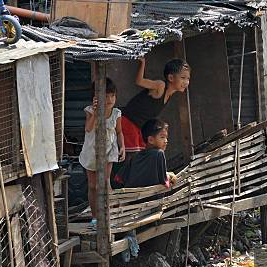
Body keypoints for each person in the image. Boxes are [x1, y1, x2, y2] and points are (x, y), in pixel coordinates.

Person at [120, 57, 191, 155]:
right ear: (171, 78)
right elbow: (139, 81)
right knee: (131, 158)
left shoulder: (169, 95)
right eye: (183, 78)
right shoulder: (160, 86)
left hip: (139, 128)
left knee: (142, 157)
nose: (186, 82)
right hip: (128, 122)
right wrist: (142, 63)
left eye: (188, 78)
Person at [78, 78, 125, 227]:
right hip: (91, 152)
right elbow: (88, 128)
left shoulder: (116, 113)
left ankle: (109, 215)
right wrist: (96, 112)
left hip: (109, 151)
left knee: (105, 182)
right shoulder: (90, 111)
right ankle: (95, 217)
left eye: (112, 95)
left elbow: (119, 132)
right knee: (93, 186)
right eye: (106, 96)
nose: (110, 99)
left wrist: (122, 146)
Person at [114, 118, 177, 188]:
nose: (166, 141)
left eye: (166, 138)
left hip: (134, 195)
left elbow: (120, 178)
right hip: (151, 195)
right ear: (150, 140)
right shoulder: (159, 153)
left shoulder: (136, 156)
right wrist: (168, 177)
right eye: (162, 137)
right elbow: (164, 181)